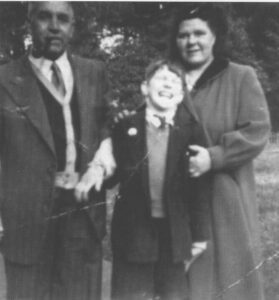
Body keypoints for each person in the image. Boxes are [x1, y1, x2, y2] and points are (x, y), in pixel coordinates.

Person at [0, 2, 113, 299]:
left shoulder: (94, 73)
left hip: (82, 216)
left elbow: (107, 128)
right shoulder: (4, 79)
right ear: (29, 23)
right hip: (27, 221)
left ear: (72, 27)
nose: (53, 26)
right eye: (44, 17)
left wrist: (104, 156)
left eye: (63, 19)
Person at [167, 4, 271, 300]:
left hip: (225, 202)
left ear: (215, 37)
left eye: (200, 33)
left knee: (228, 282)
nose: (191, 41)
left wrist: (213, 157)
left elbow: (257, 129)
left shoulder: (240, 76)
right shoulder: (166, 79)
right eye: (183, 35)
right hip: (177, 199)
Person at [110, 59, 211, 300]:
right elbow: (111, 173)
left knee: (174, 294)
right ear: (145, 88)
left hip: (174, 233)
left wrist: (199, 234)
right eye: (161, 79)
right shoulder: (126, 126)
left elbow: (200, 188)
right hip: (133, 232)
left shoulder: (192, 129)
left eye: (175, 82)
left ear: (181, 95)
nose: (168, 84)